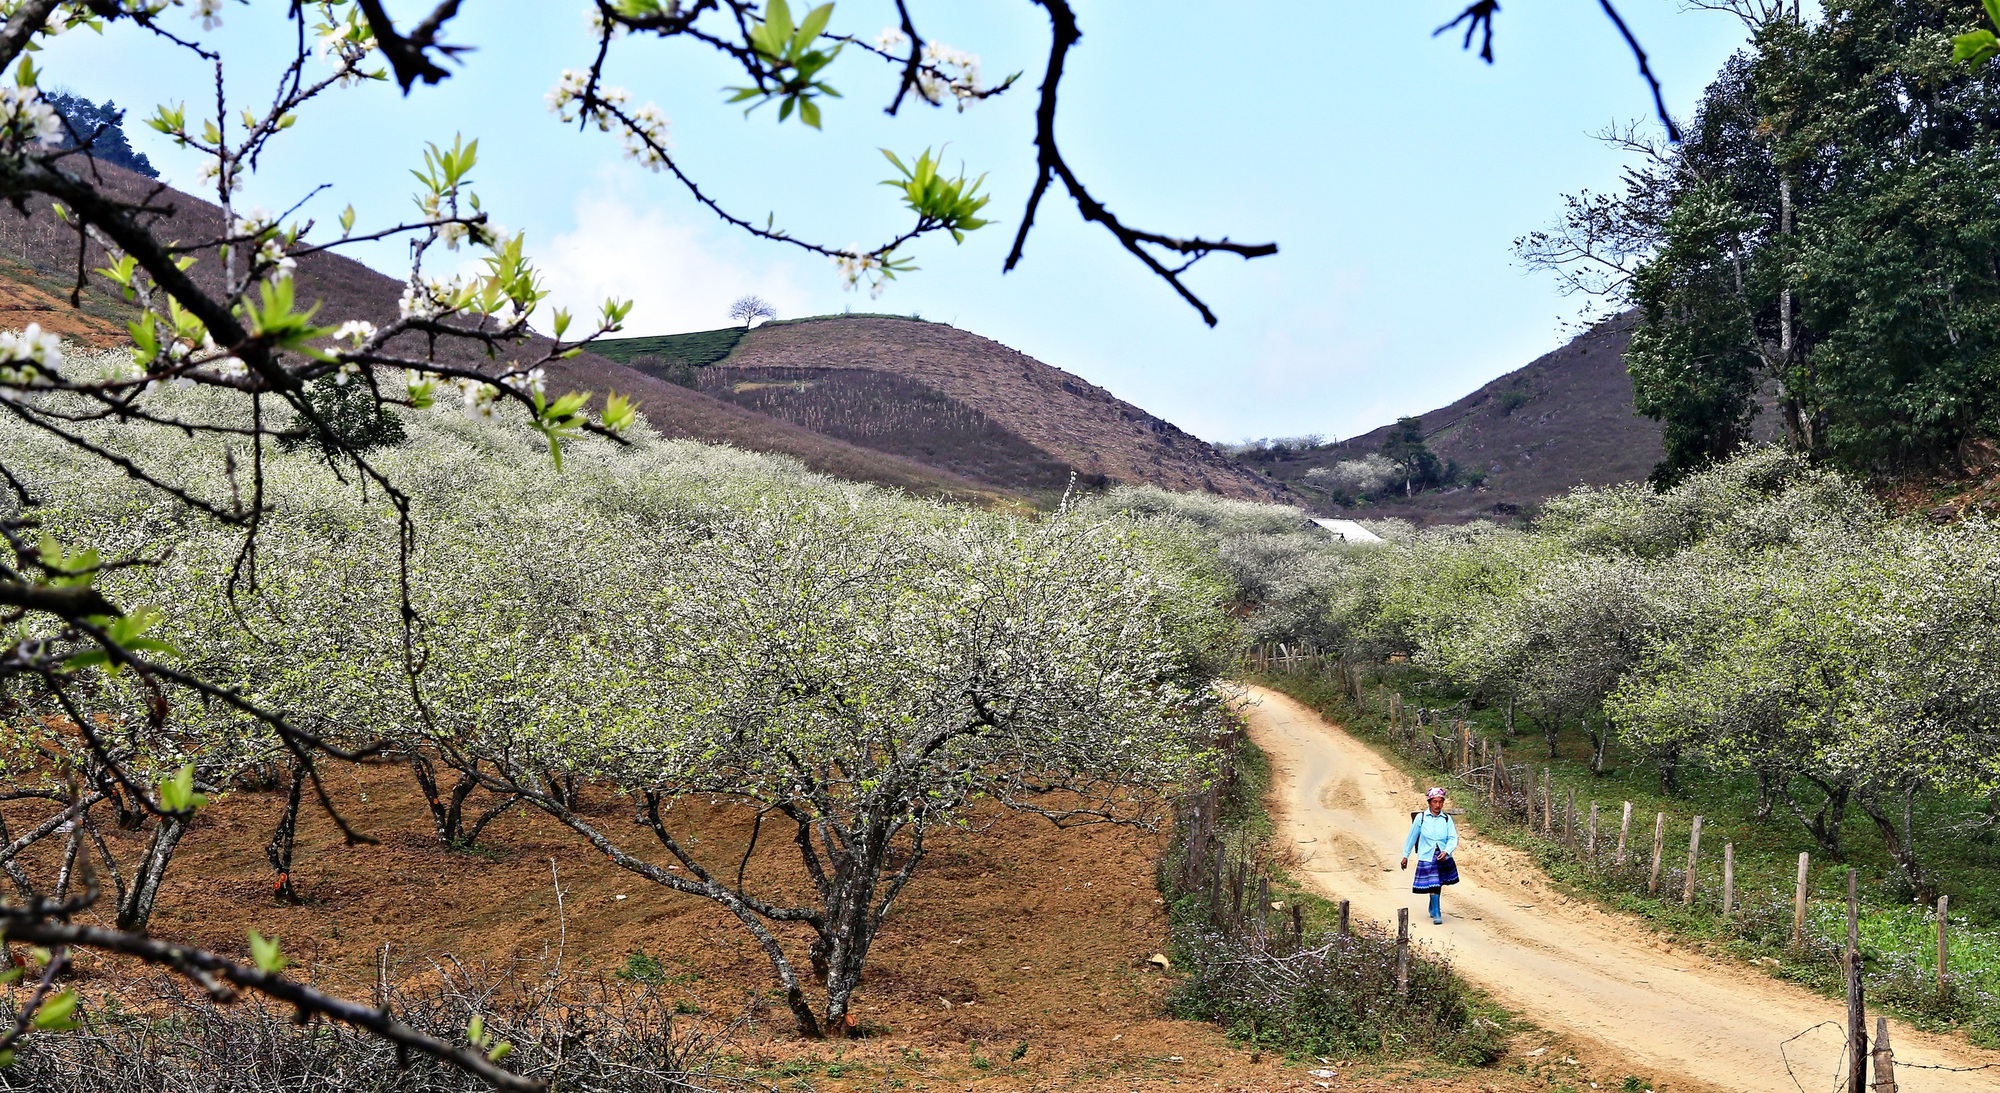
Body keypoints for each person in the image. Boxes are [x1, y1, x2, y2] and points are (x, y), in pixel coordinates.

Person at [1400, 786, 1459, 924]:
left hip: (1442, 855)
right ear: (1429, 802)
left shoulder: (1446, 819)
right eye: (1435, 802)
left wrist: (1447, 851)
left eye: (1440, 802)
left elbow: (1452, 838)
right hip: (1427, 856)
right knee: (1434, 882)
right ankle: (1437, 912)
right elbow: (1412, 837)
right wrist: (1405, 856)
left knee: (1438, 883)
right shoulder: (1421, 818)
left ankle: (1433, 905)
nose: (1438, 805)